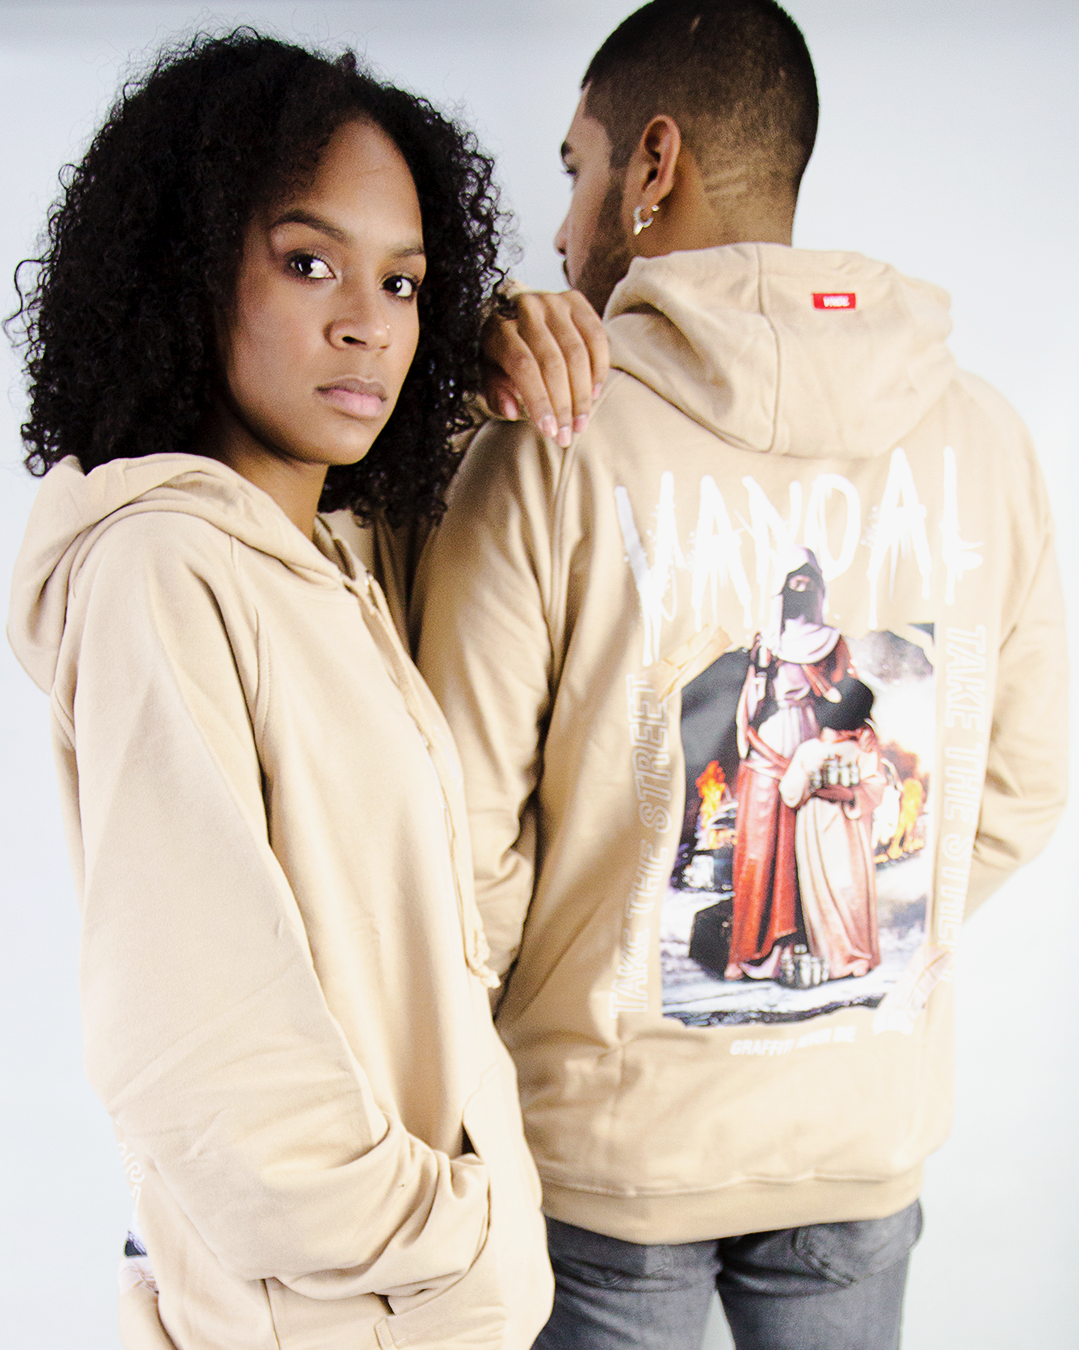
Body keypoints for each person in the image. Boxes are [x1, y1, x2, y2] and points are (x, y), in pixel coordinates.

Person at [413, 2, 1069, 1348]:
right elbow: (1022, 776)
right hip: (859, 1127)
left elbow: (453, 830)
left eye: (578, 168)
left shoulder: (549, 450)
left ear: (653, 165)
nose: (561, 231)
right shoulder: (985, 438)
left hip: (610, 1147)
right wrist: (879, 941)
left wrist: (554, 1008)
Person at [5, 33, 554, 1350]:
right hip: (348, 1315)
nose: (367, 321)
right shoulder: (162, 568)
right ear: (188, 268)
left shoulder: (322, 561)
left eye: (403, 282)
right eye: (309, 262)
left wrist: (487, 347)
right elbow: (202, 1054)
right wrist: (459, 1237)